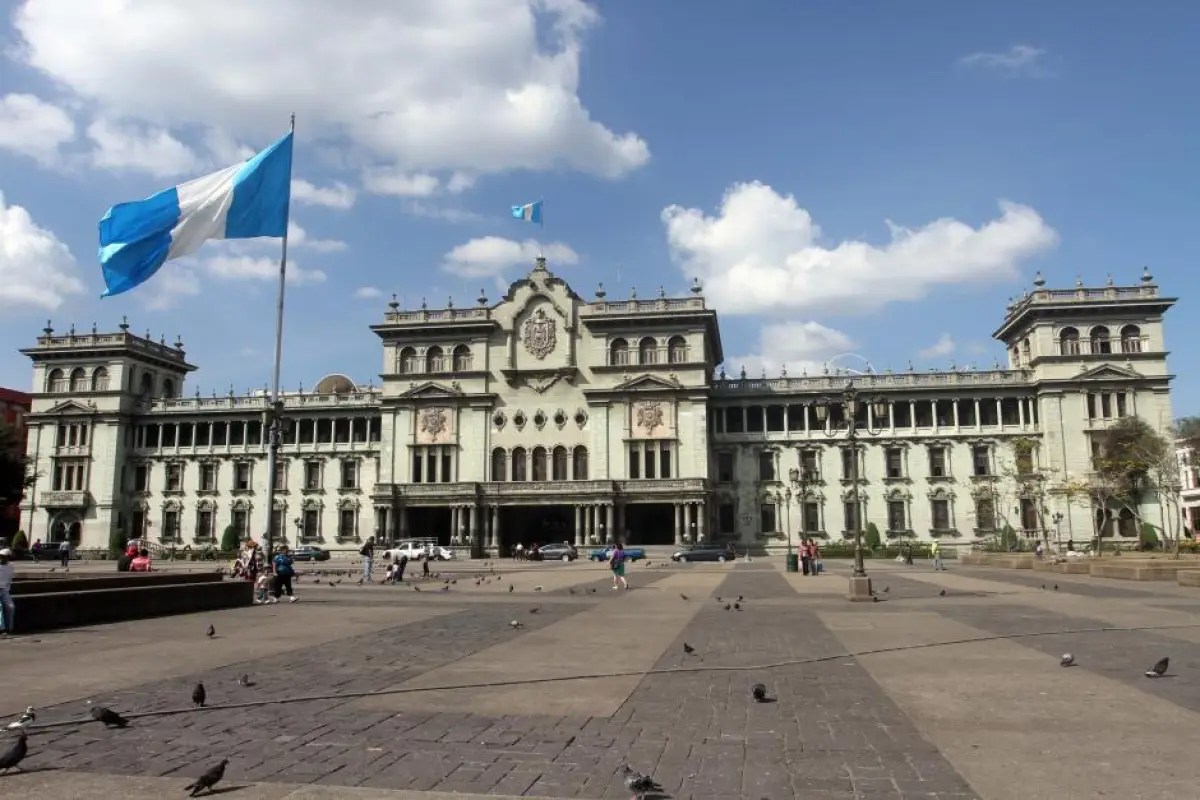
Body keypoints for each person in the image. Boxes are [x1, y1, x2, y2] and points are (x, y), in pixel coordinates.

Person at [0, 548, 14, 635]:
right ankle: (2, 629)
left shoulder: (10, 567)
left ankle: (9, 627)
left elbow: (9, 579)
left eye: (3, 557)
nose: (1, 559)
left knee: (11, 607)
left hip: (4, 590)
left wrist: (6, 590)